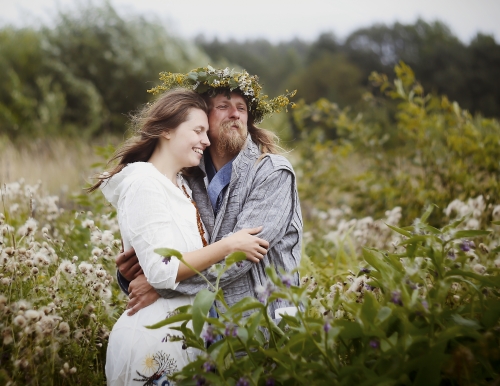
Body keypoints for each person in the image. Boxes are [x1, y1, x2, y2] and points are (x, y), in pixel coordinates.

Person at [89, 89, 269, 385]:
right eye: (197, 130)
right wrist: (229, 245)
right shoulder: (144, 182)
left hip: (184, 337)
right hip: (154, 340)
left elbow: (158, 265)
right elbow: (162, 272)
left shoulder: (183, 185)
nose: (206, 140)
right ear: (166, 131)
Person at [117, 67, 303, 324]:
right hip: (206, 329)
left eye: (242, 108)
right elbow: (169, 253)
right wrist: (131, 274)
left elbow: (240, 258)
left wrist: (158, 284)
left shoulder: (272, 172)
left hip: (266, 321)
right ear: (204, 117)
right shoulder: (187, 176)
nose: (235, 114)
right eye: (224, 106)